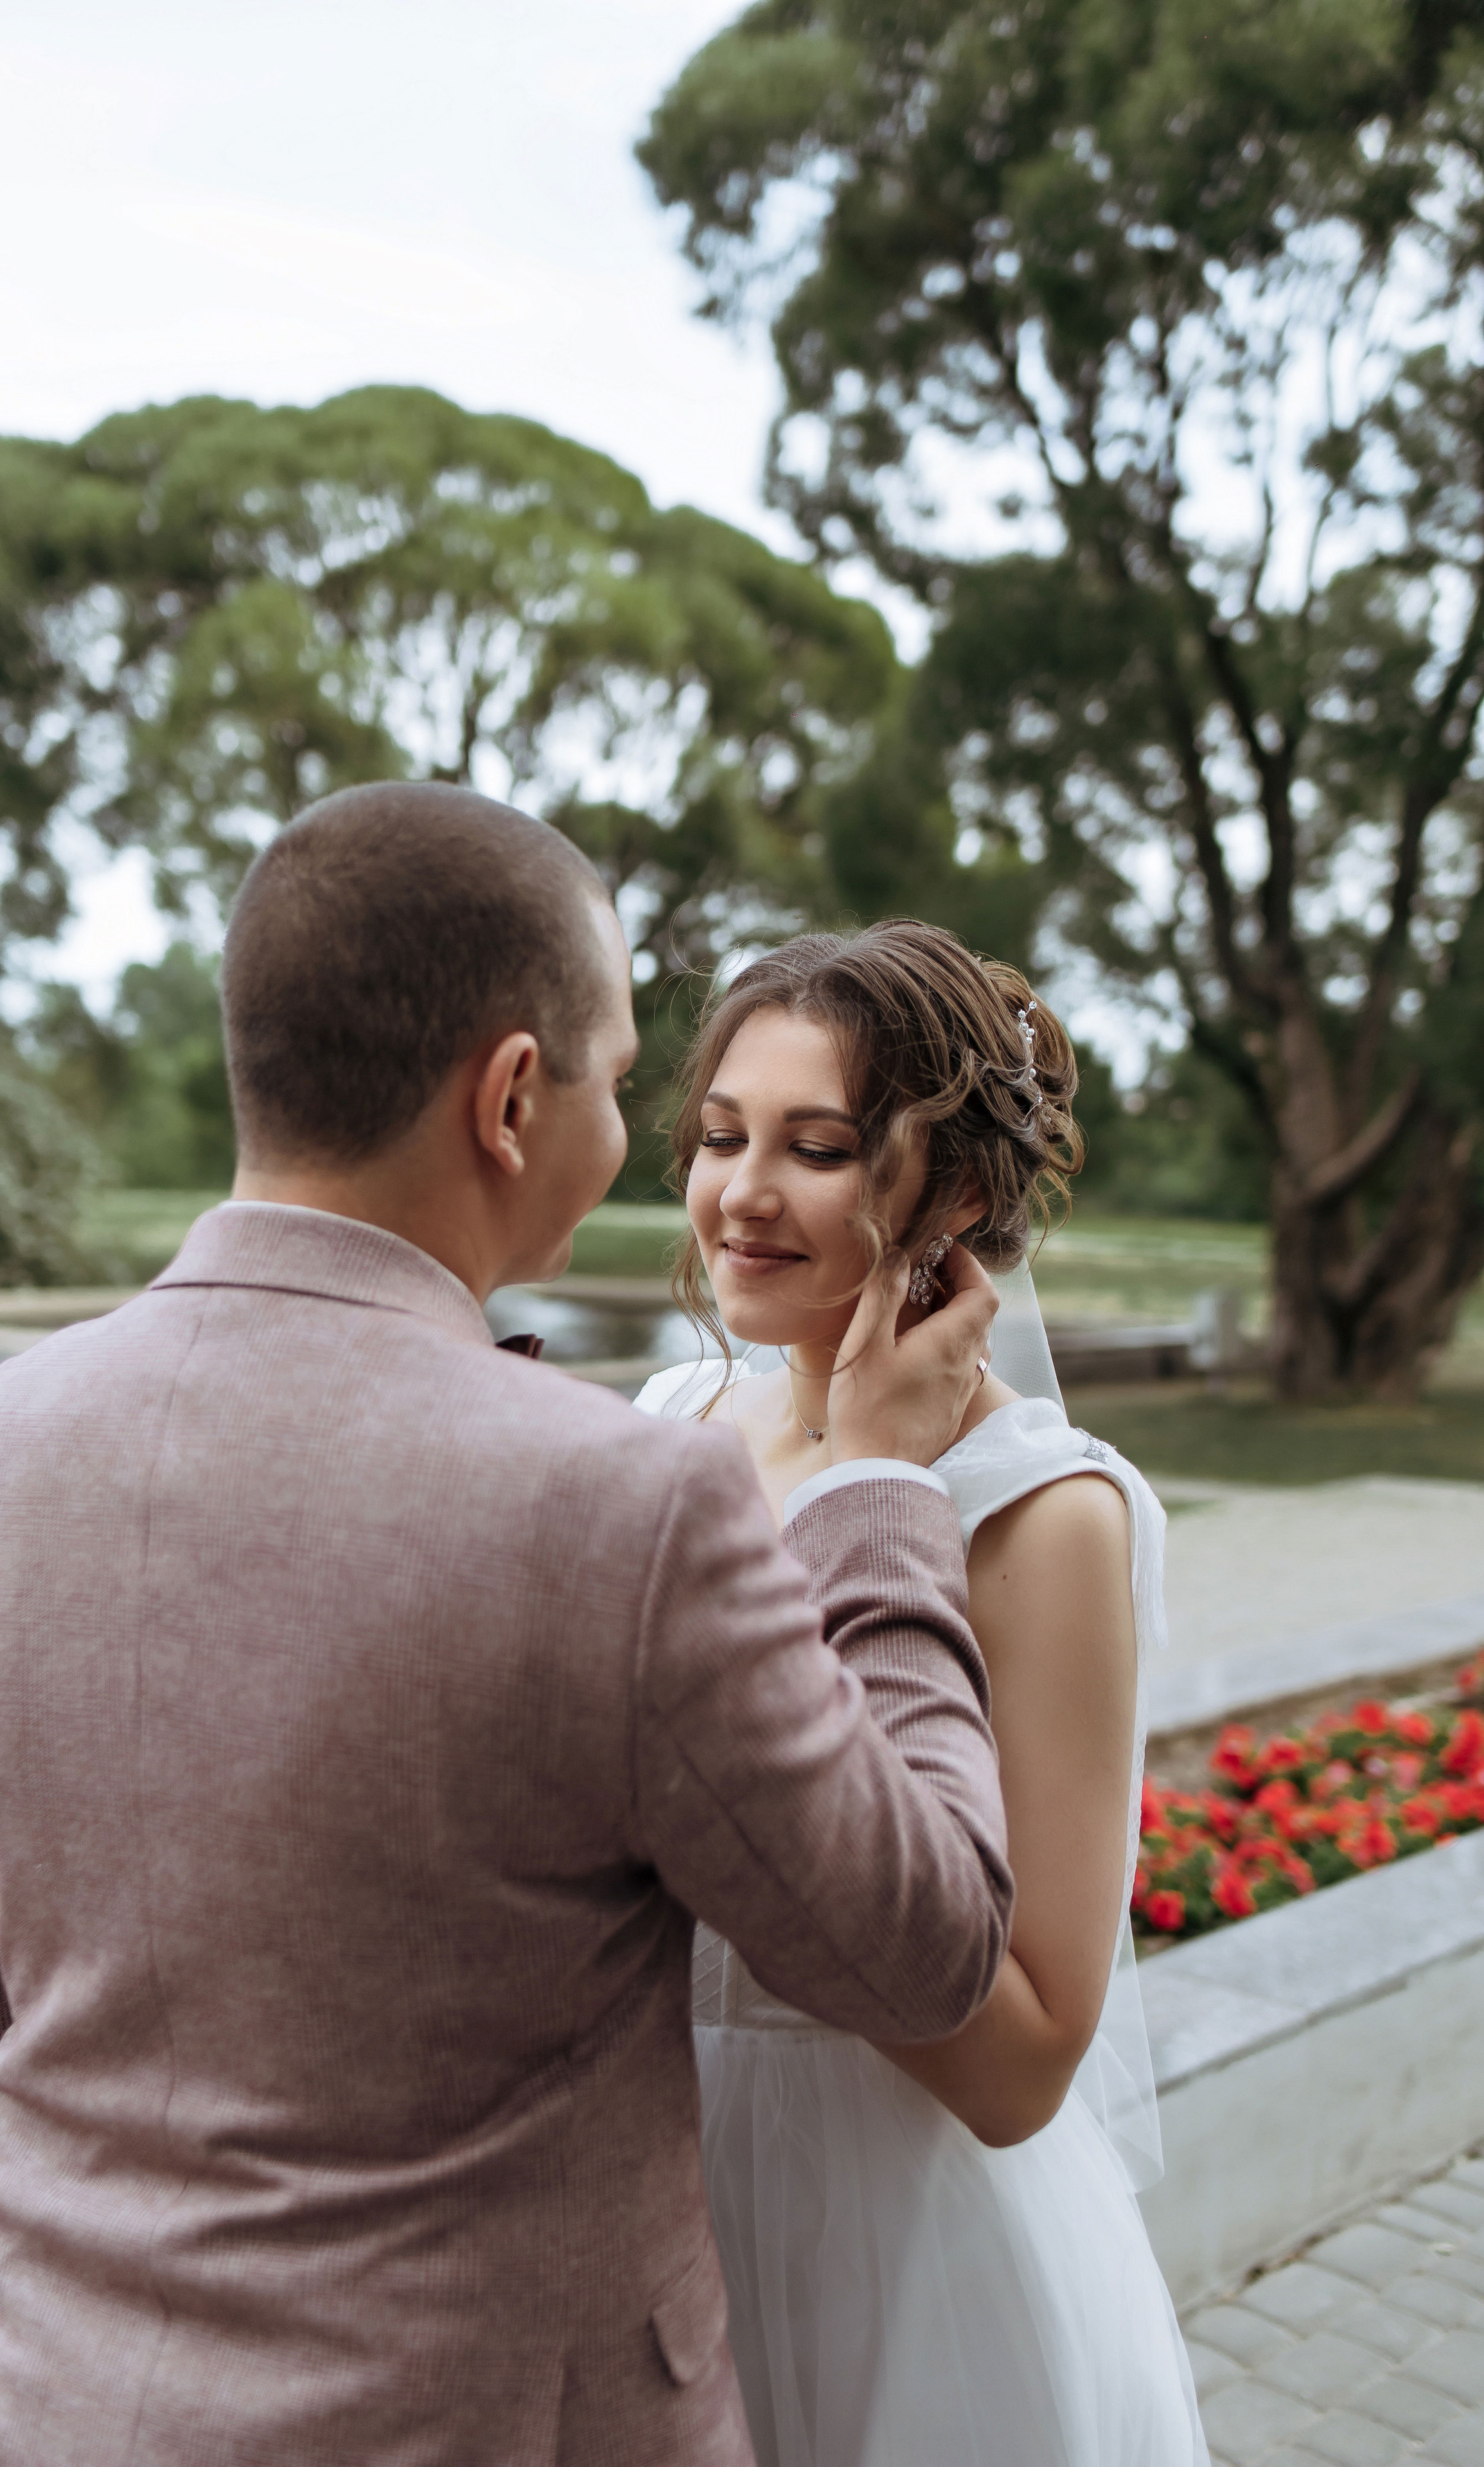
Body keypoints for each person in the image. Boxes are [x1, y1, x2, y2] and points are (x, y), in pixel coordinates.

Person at [0, 785, 1015, 2467]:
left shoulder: (13, 1434)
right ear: (514, 1097)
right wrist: (879, 1497)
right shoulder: (620, 1505)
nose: (639, 1144)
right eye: (626, 1085)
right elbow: (922, 1945)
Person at [635, 922, 1210, 2466]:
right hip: (643, 2207)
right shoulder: (674, 1420)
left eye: (815, 1148)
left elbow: (1026, 2055)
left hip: (895, 2236)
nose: (739, 1194)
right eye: (717, 1136)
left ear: (952, 1196)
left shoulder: (1043, 1515)